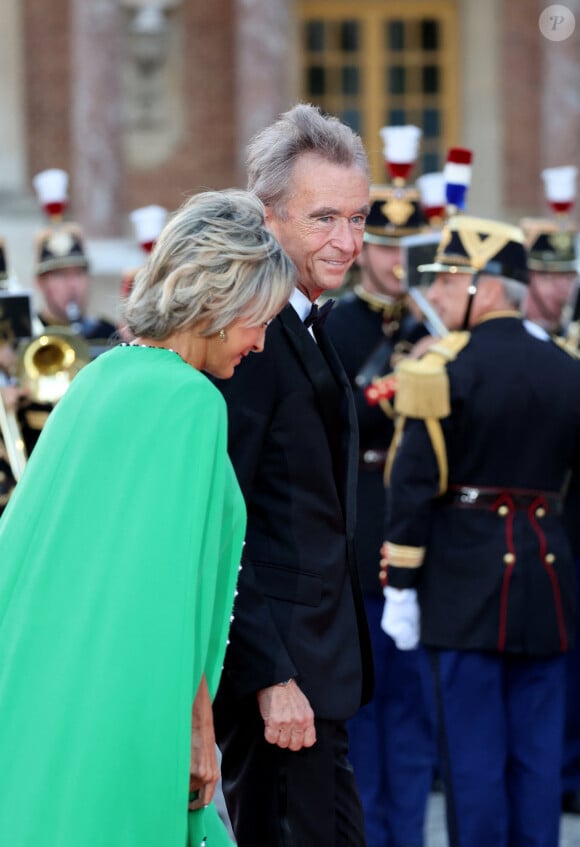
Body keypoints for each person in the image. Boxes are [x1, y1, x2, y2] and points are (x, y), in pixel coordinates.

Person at [0, 188, 296, 847]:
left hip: (45, 689)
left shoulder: (99, 379)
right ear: (222, 302)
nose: (261, 341)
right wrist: (198, 736)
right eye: (261, 318)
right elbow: (171, 594)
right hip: (128, 705)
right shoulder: (191, 403)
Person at [379, 214, 580, 847]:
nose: (433, 295)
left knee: (473, 765)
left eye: (447, 280)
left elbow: (411, 485)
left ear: (485, 286)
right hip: (548, 589)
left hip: (462, 593)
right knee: (537, 765)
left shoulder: (441, 370)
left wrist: (402, 586)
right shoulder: (567, 369)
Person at [211, 103, 374, 847]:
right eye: (325, 218)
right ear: (270, 217)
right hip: (280, 685)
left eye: (360, 218)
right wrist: (268, 674)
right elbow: (221, 520)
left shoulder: (307, 321)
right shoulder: (250, 340)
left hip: (319, 672)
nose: (349, 240)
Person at [325, 184, 436, 847]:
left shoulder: (435, 327)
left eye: (409, 251)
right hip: (363, 525)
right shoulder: (336, 326)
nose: (397, 265)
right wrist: (402, 378)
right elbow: (338, 416)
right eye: (387, 248)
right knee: (363, 714)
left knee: (415, 715)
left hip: (421, 528)